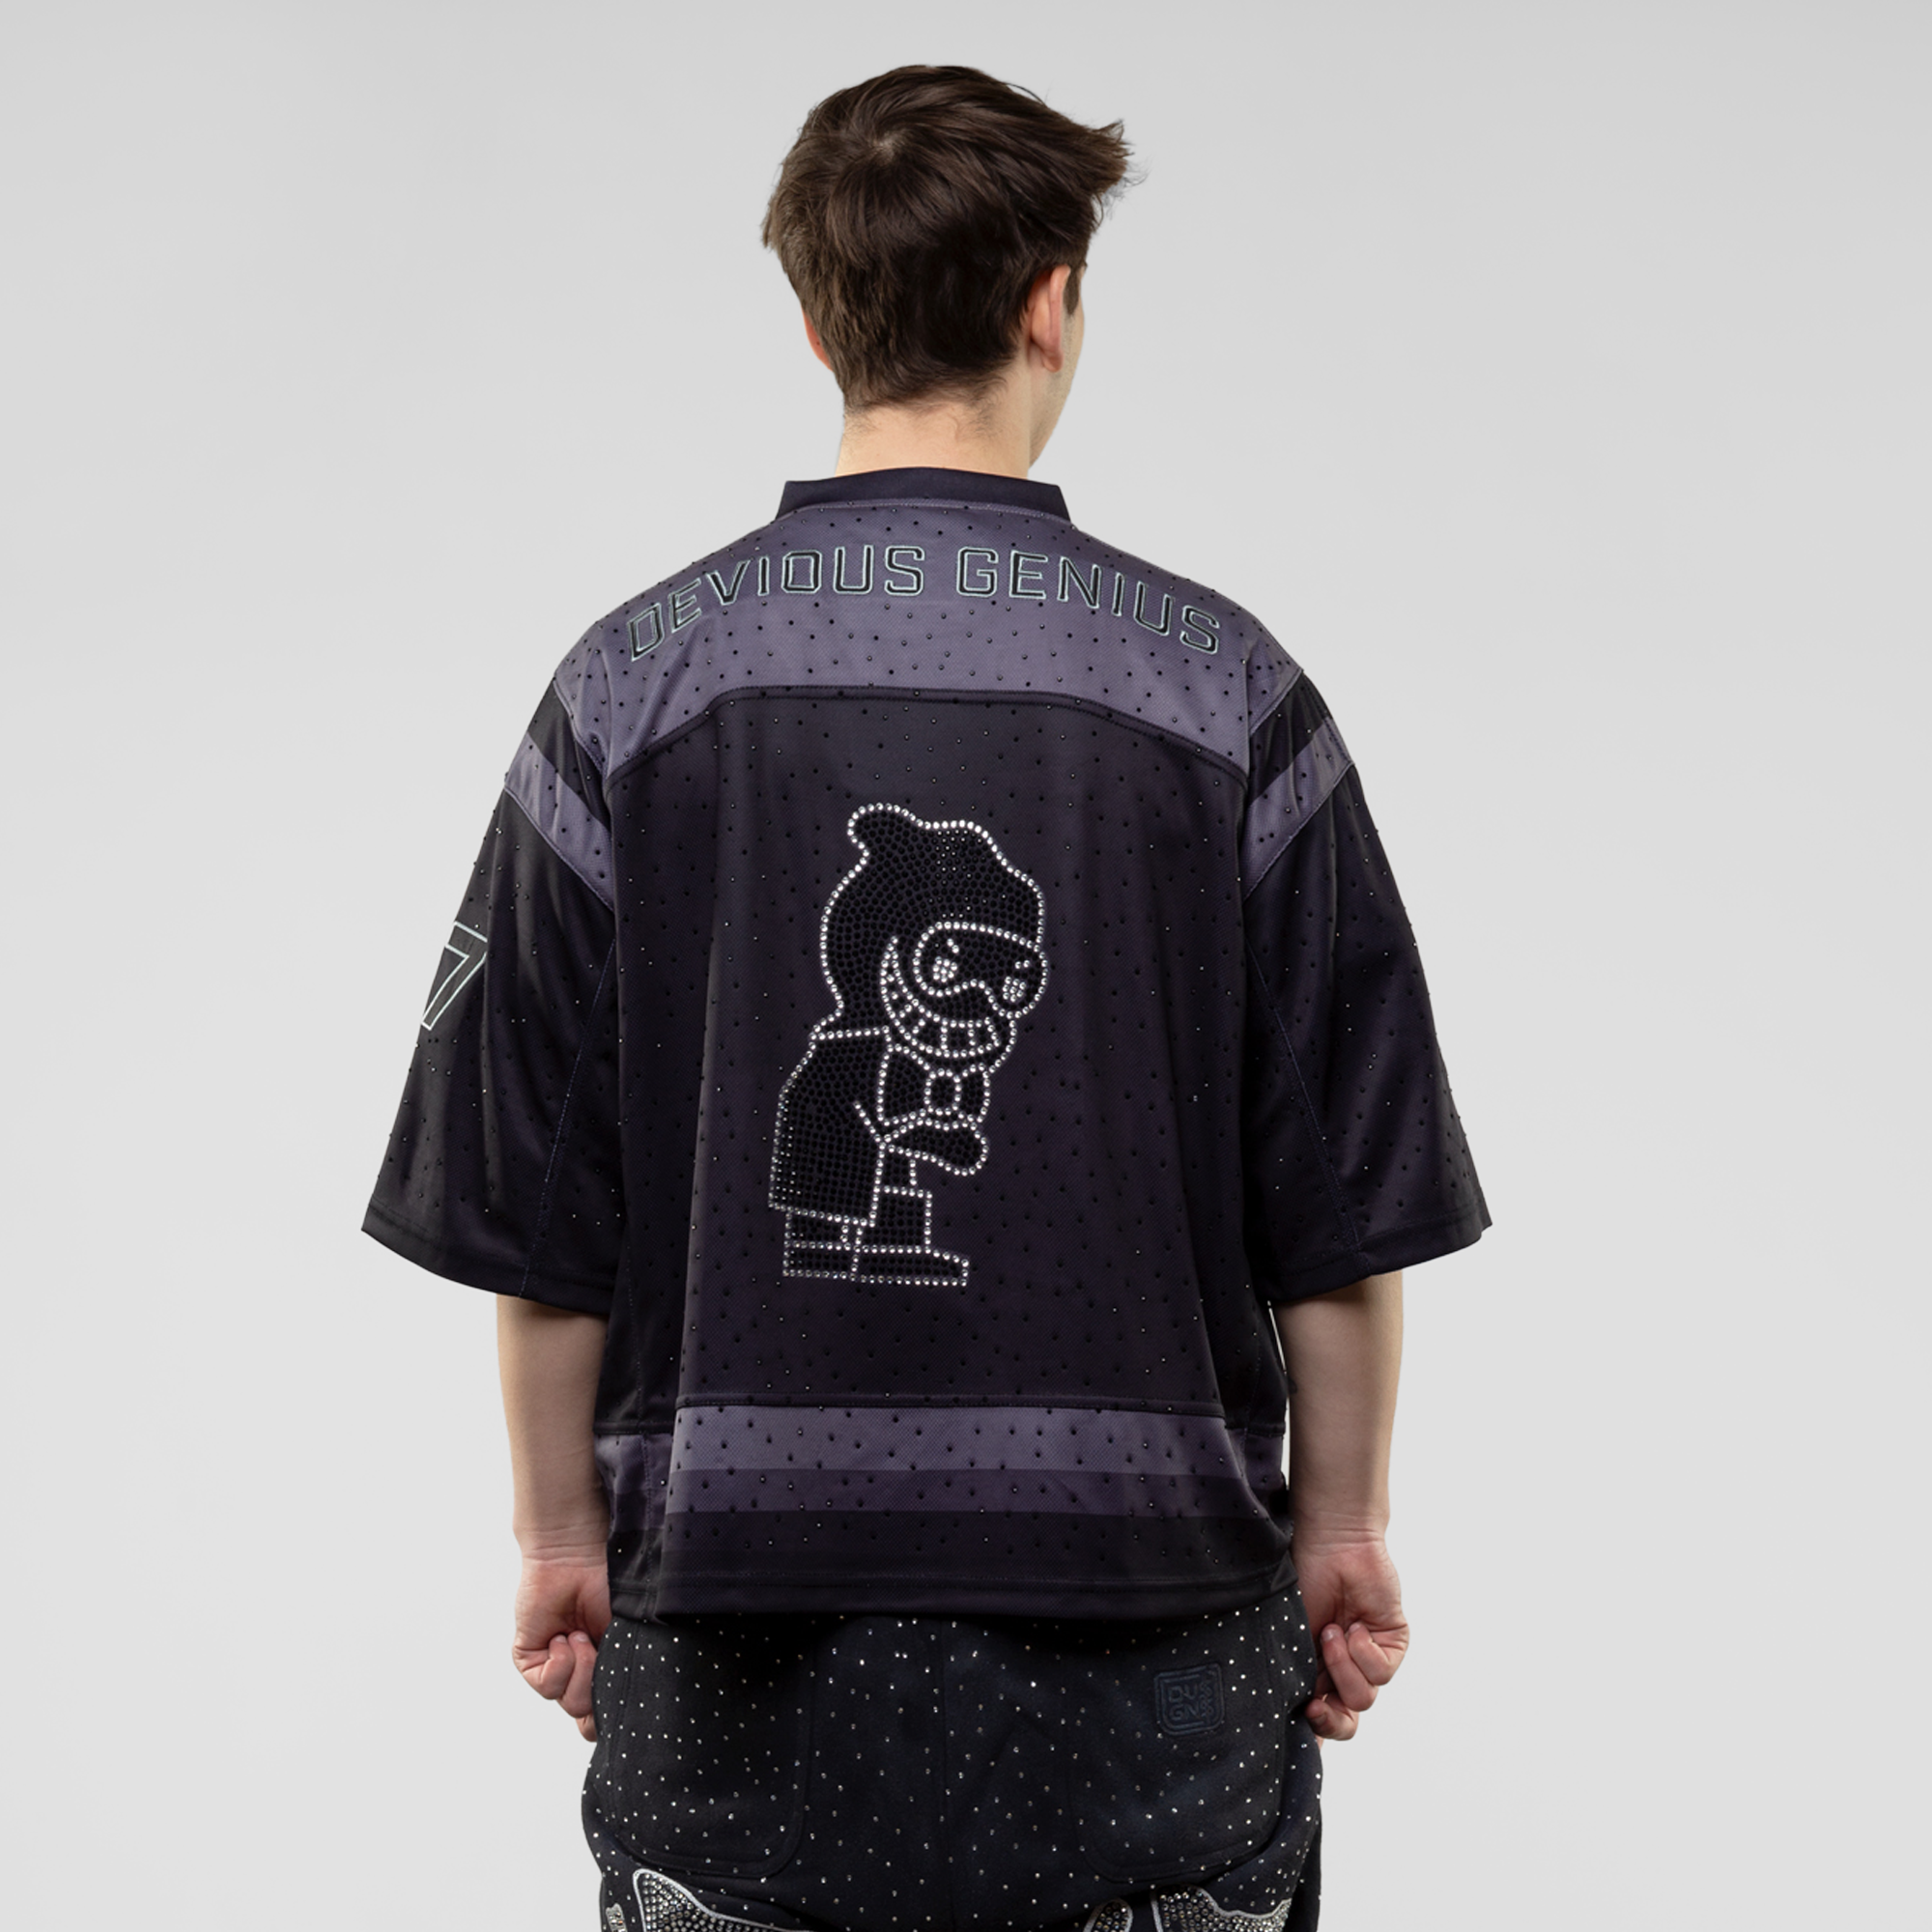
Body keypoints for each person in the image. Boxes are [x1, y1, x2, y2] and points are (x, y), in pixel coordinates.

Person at [365, 64, 1488, 1932]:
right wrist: (1347, 1529)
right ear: (1053, 299)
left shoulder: (631, 688)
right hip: (1156, 1689)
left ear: (817, 322)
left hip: (735, 1673)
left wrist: (559, 1532)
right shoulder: (1225, 693)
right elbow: (1343, 1202)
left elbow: (539, 1213)